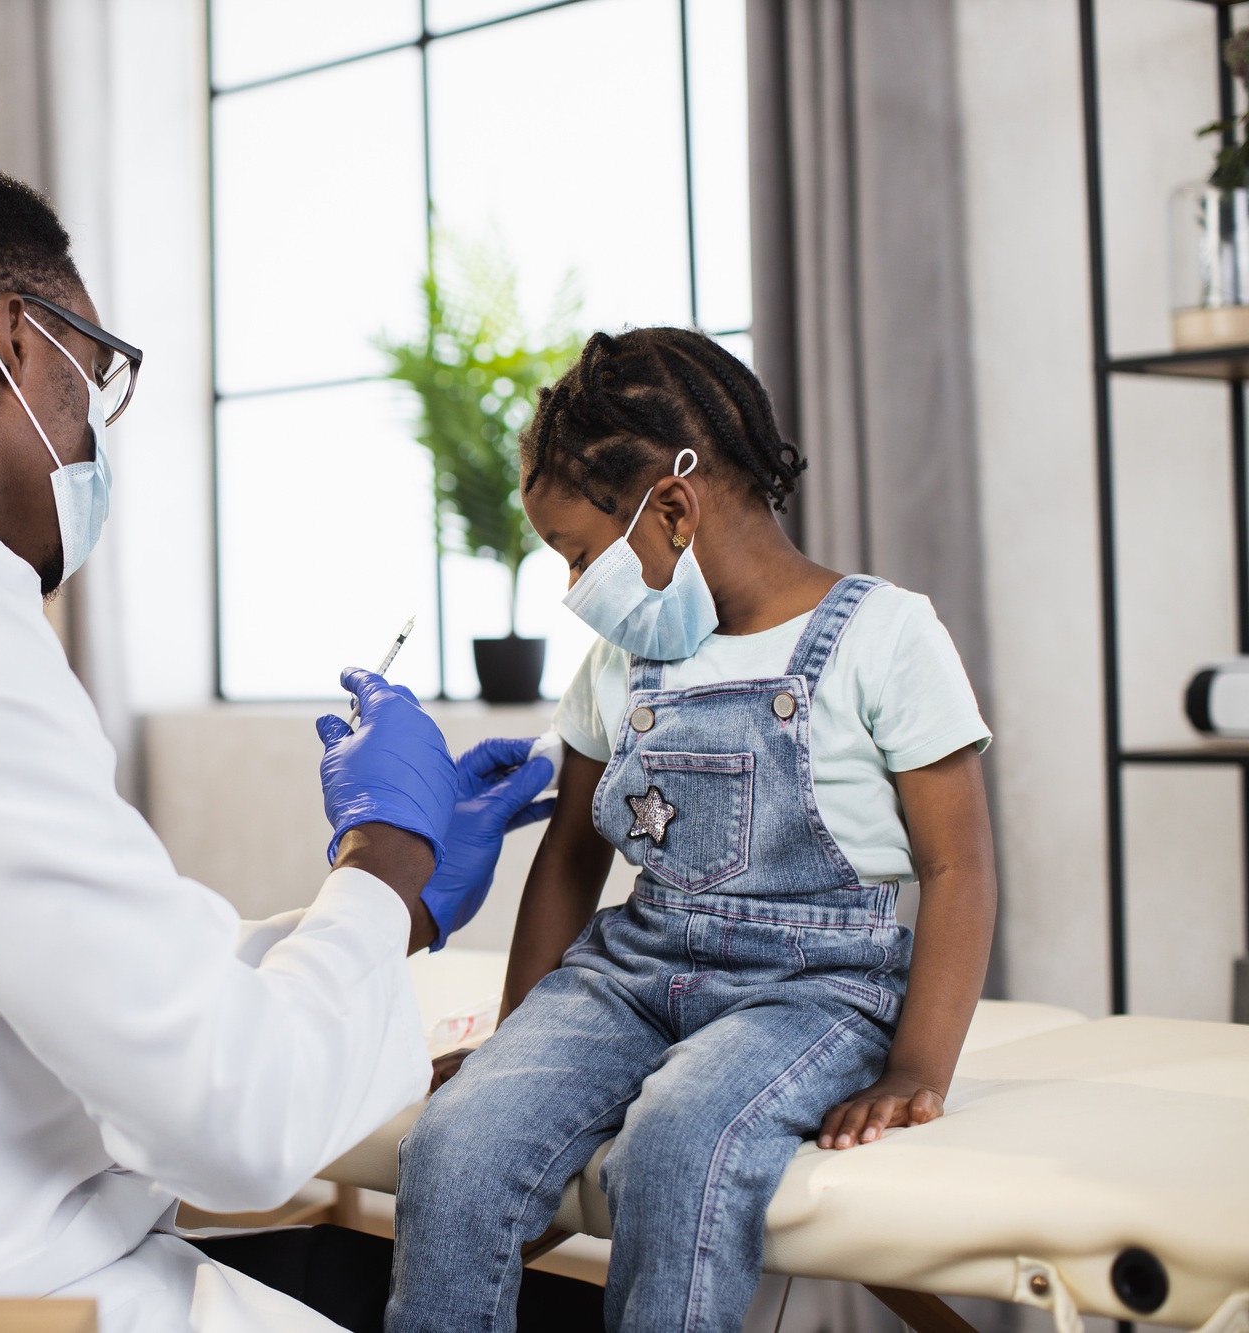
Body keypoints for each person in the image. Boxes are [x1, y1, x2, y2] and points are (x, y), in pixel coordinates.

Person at [0, 155, 586, 1333]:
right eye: (95, 380)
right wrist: (383, 852)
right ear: (20, 343)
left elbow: (113, 974)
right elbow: (238, 1123)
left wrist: (404, 904)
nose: (90, 436)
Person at [385, 328, 998, 1333]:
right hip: (633, 968)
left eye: (579, 554)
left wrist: (914, 1069)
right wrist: (515, 1037)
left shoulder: (885, 634)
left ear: (670, 506)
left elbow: (956, 863)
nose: (571, 587)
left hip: (811, 987)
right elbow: (571, 855)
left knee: (676, 1143)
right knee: (456, 1142)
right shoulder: (623, 661)